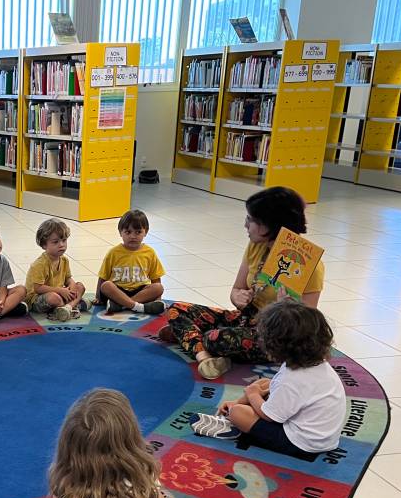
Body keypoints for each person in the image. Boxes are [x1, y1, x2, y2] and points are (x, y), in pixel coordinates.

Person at [163, 186, 325, 379]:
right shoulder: (256, 246)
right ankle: (205, 357)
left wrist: (286, 309)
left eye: (251, 220)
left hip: (276, 334)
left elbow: (305, 329)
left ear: (269, 224)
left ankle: (193, 339)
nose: (245, 225)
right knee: (176, 309)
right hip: (247, 317)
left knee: (215, 338)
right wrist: (237, 296)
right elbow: (237, 289)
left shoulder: (310, 266)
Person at [195, 299, 346, 456]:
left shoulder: (293, 380)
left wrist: (252, 394)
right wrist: (247, 396)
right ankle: (236, 409)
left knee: (238, 412)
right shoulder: (313, 363)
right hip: (322, 437)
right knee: (264, 383)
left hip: (301, 443)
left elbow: (269, 416)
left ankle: (237, 426)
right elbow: (279, 390)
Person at [96, 209, 166, 316]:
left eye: (138, 232)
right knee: (106, 286)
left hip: (140, 291)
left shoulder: (150, 252)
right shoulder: (113, 253)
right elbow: (103, 277)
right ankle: (140, 307)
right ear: (120, 232)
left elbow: (156, 278)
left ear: (146, 232)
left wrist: (157, 298)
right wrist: (98, 297)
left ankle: (122, 305)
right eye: (128, 232)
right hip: (118, 290)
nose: (133, 236)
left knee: (158, 287)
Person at [25, 218, 87, 322]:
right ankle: (74, 305)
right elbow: (38, 288)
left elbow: (68, 278)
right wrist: (60, 290)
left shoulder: (64, 260)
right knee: (54, 298)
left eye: (64, 240)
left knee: (80, 286)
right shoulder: (40, 264)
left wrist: (72, 286)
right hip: (37, 299)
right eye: (55, 242)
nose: (61, 245)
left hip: (59, 292)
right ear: (44, 245)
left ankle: (67, 308)